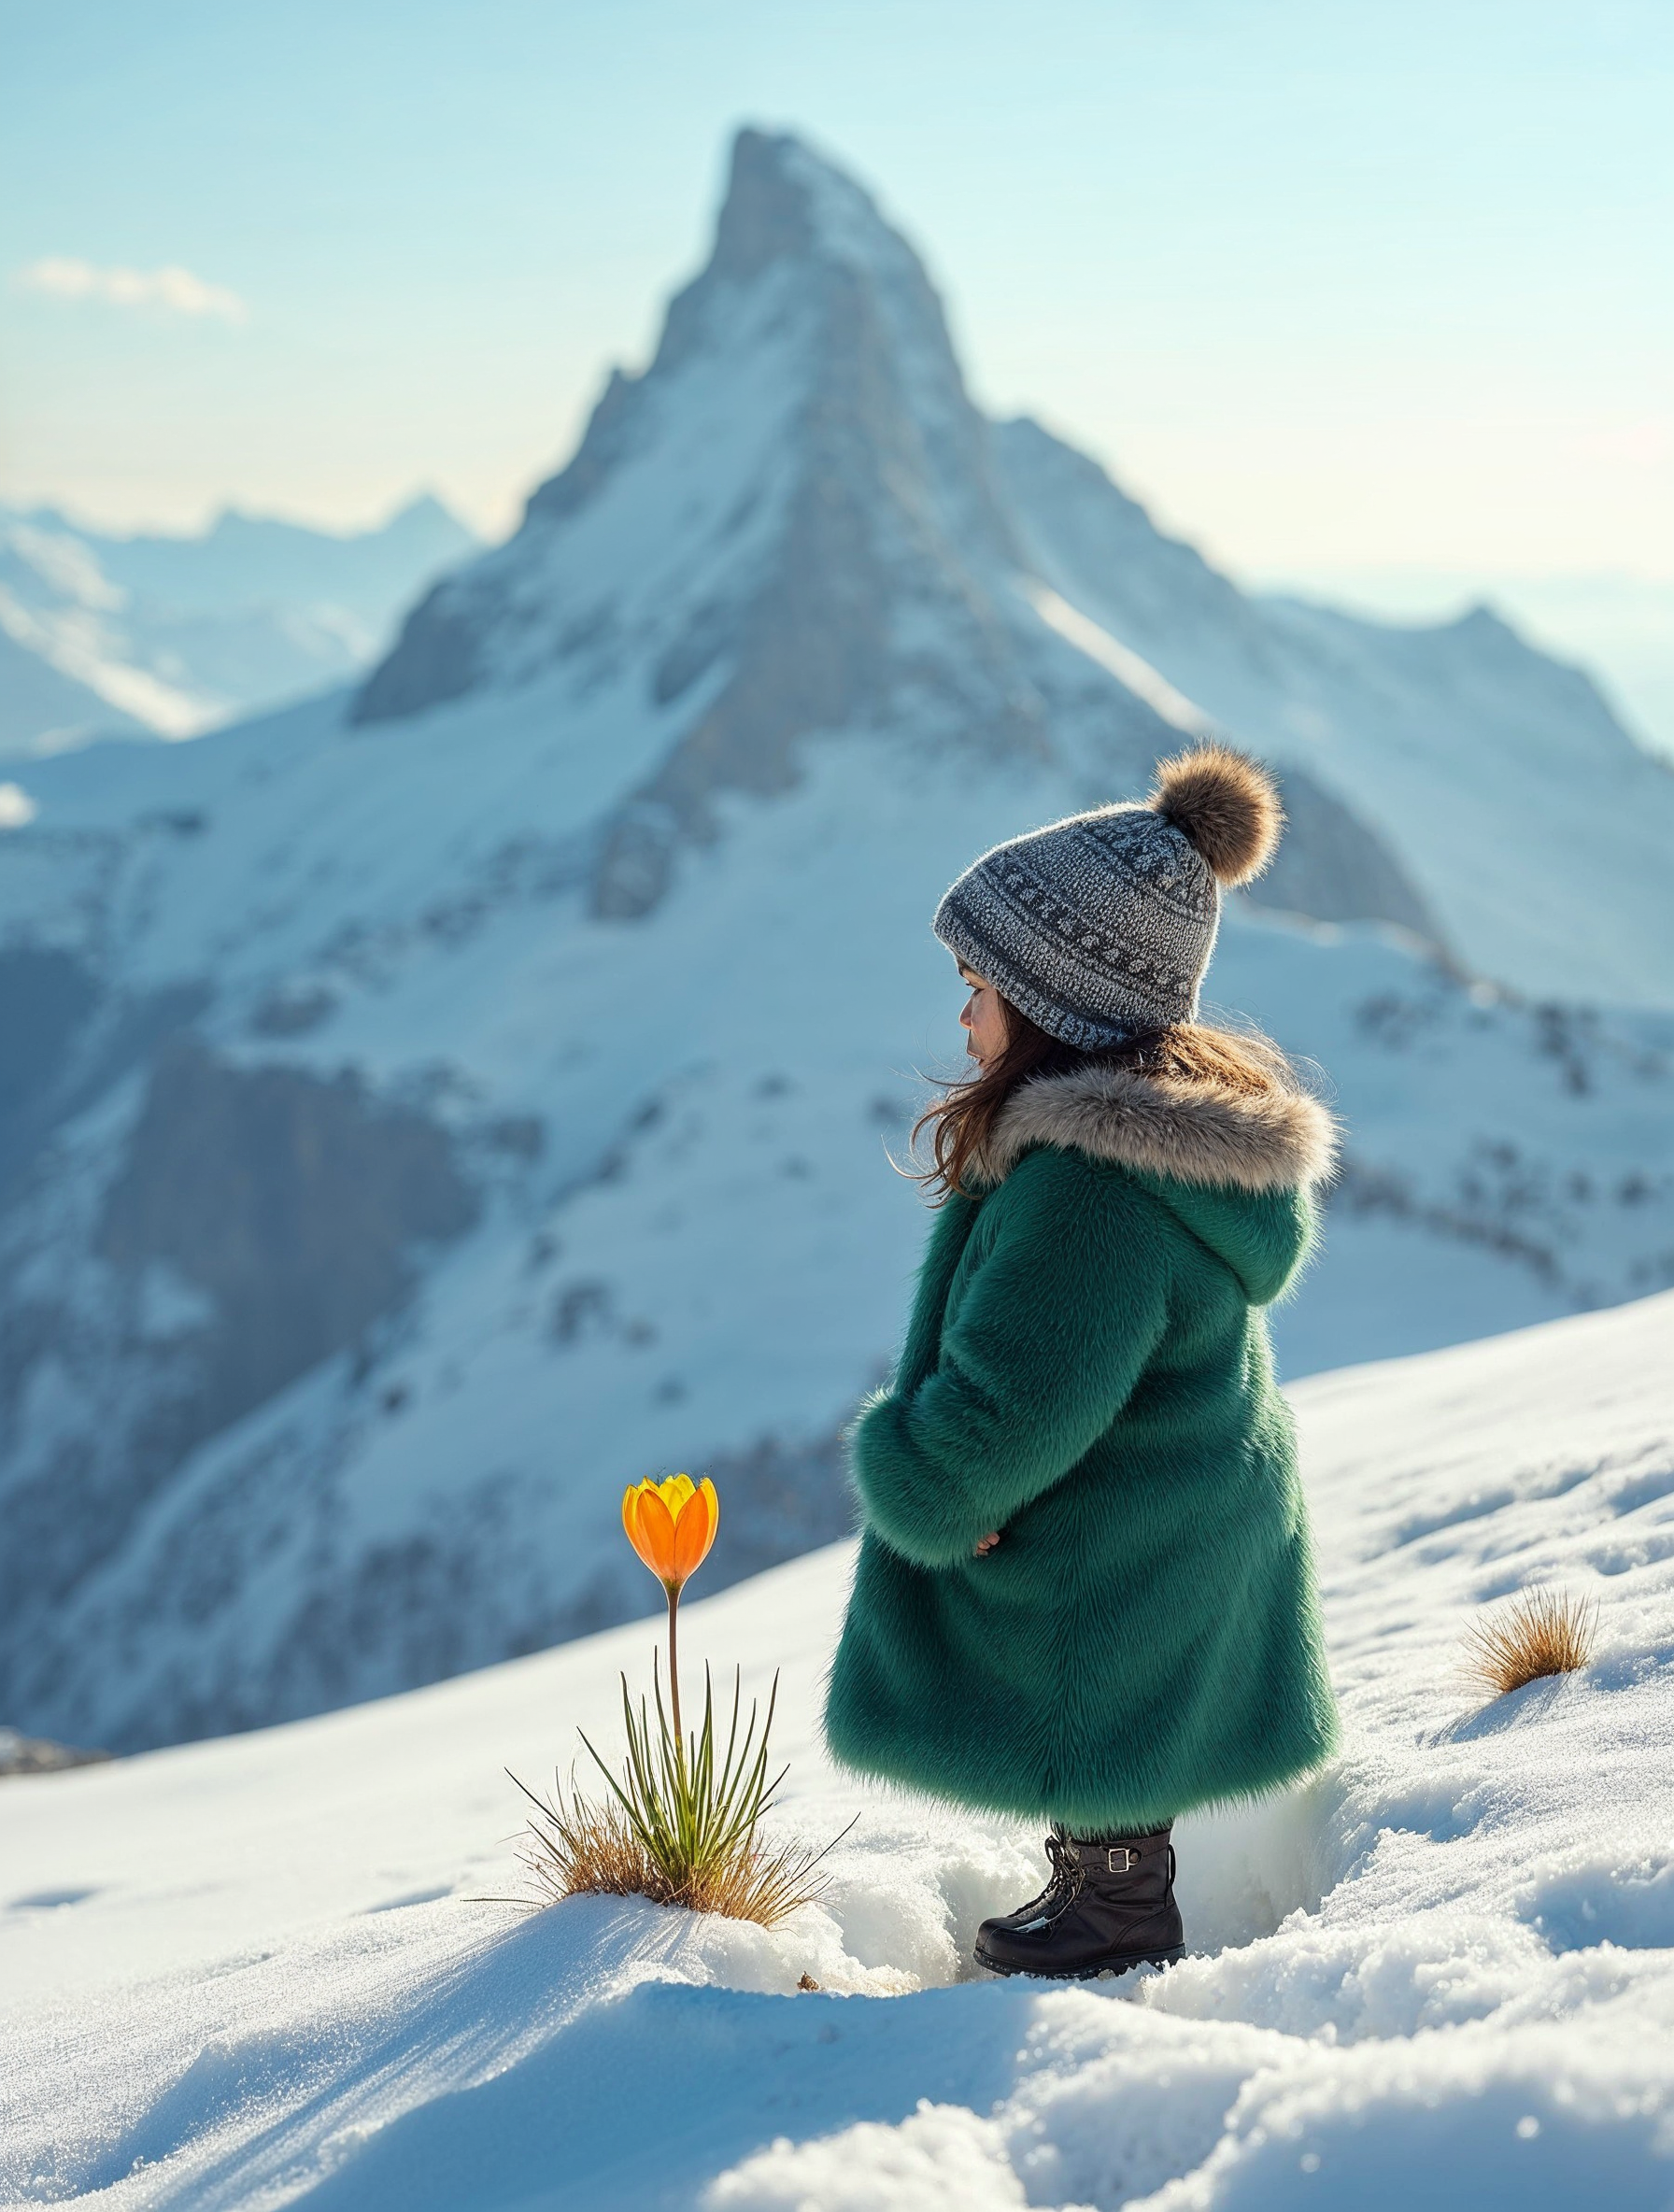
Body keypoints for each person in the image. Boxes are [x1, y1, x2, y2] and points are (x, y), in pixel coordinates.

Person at [823, 744, 1341, 1979]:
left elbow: (1013, 1407)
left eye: (978, 986)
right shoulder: (1143, 1159)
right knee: (1110, 1677)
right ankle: (1103, 1885)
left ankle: (1111, 1914)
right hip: (1182, 1518)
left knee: (1088, 1667)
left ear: (1051, 1004)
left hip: (1133, 1545)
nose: (962, 1014)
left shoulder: (1089, 1198)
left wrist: (925, 1477)